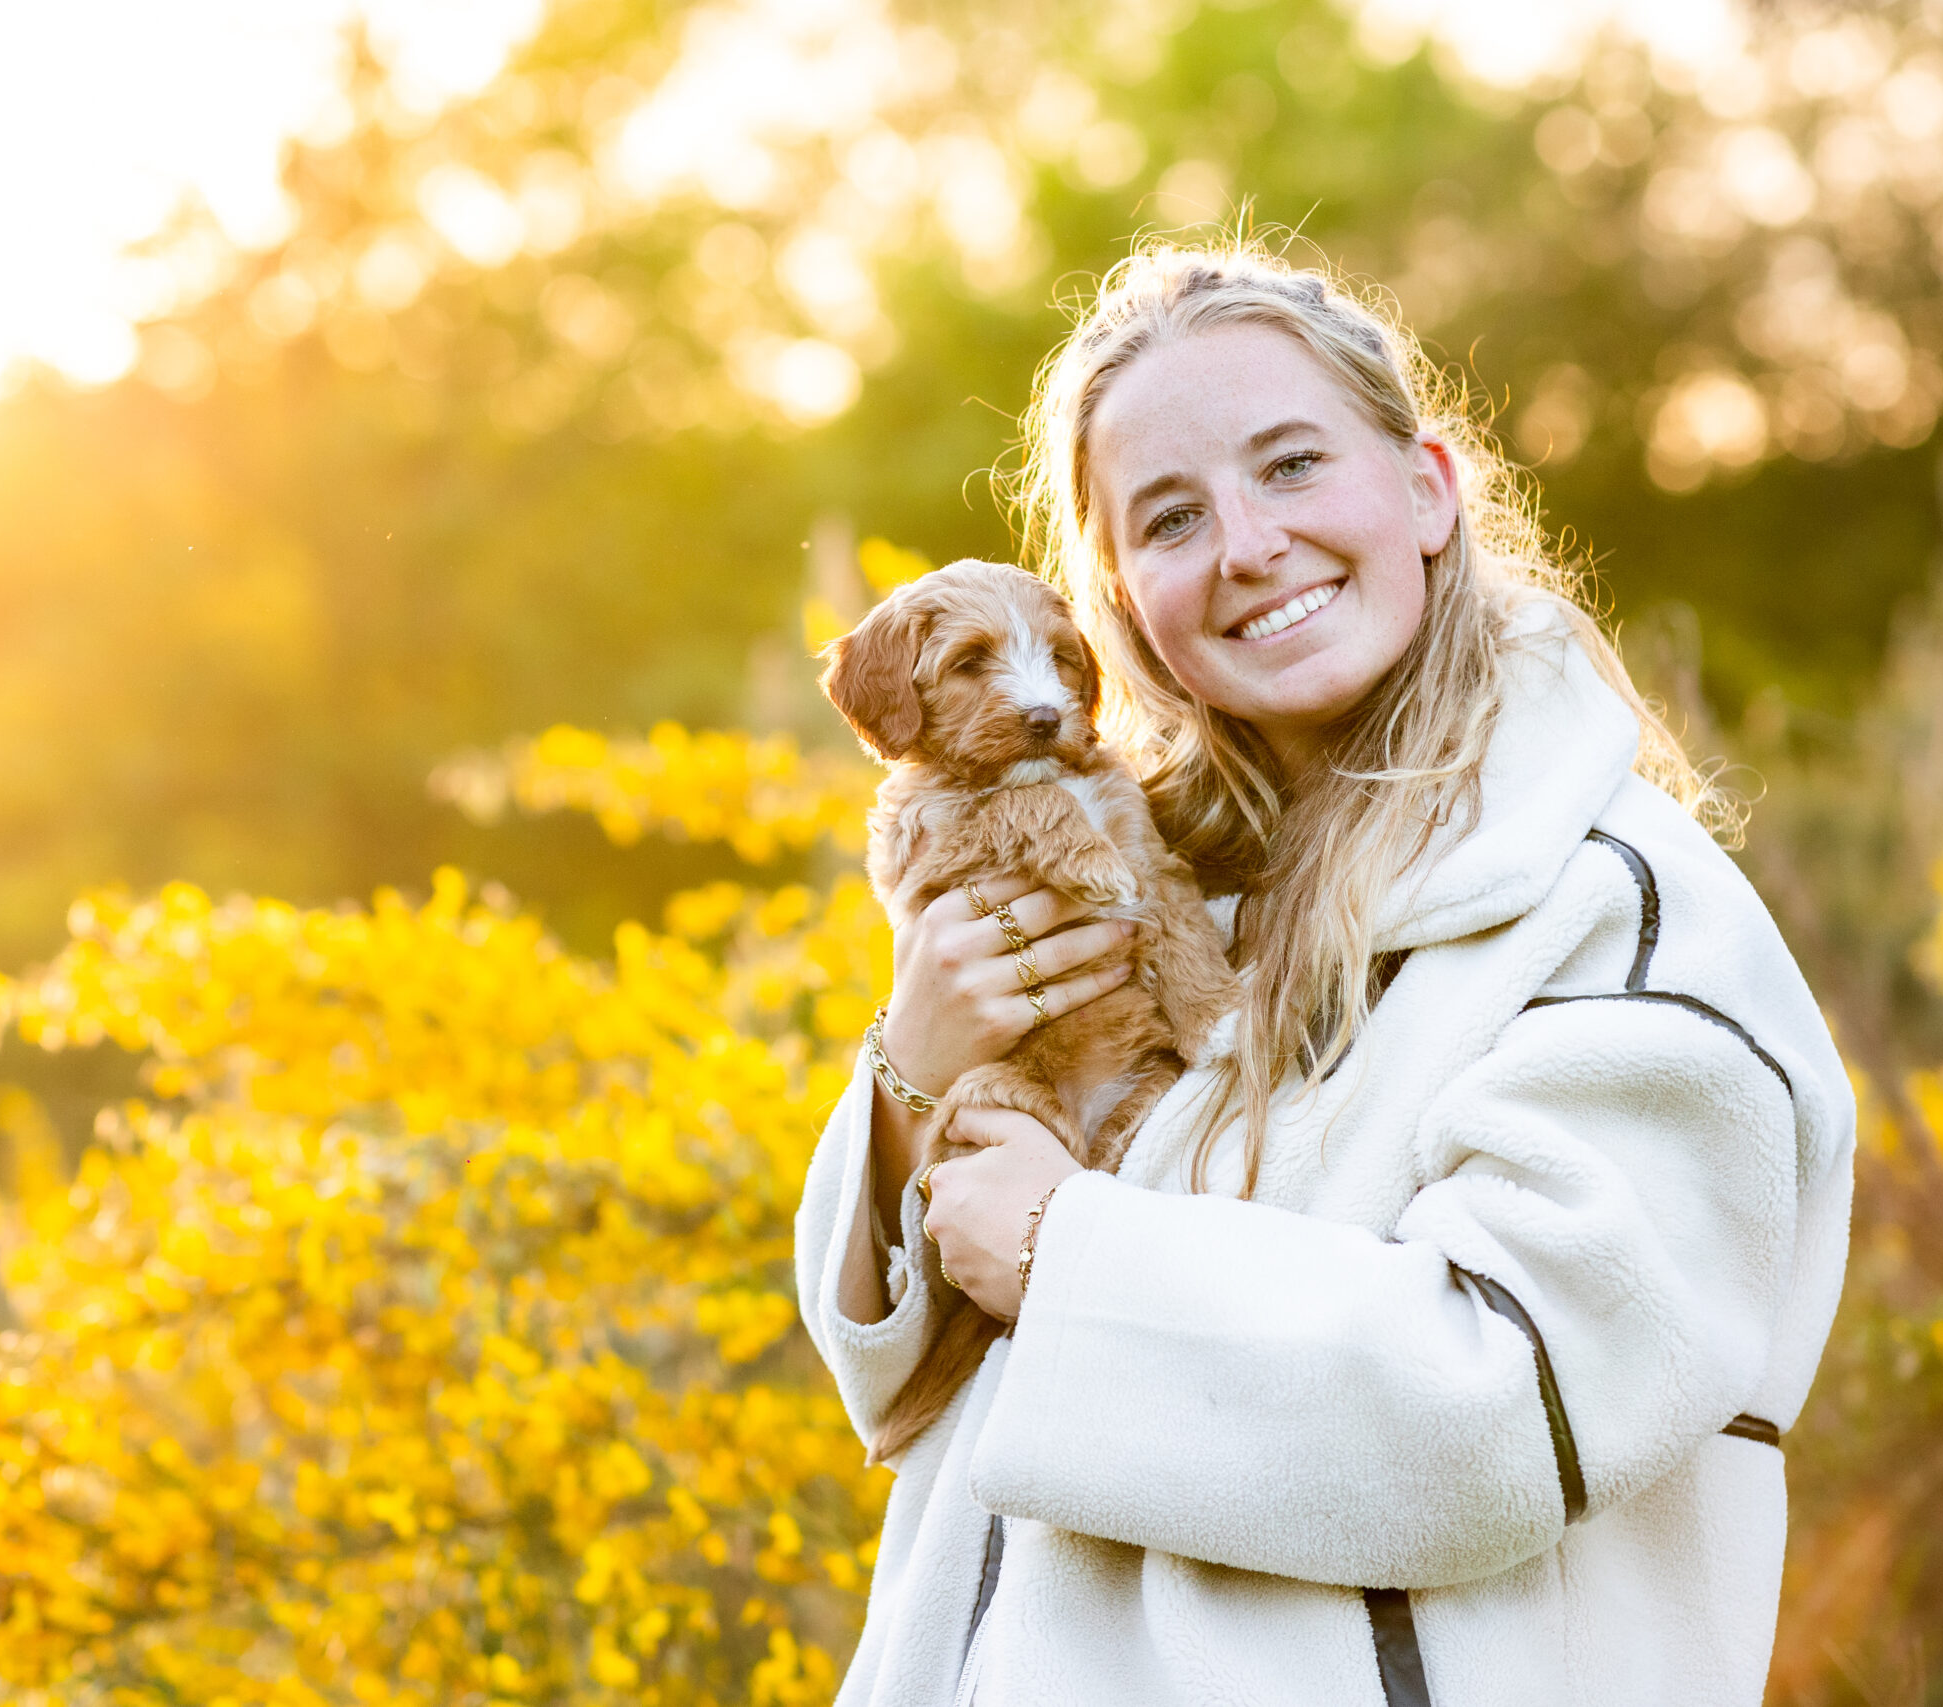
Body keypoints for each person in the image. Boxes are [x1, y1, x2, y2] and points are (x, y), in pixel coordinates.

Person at [791, 243, 1856, 1707]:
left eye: (1291, 466)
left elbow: (1509, 1408)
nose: (1244, 544)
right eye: (1170, 517)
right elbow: (905, 1399)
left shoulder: (1621, 914)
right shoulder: (1157, 884)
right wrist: (914, 1074)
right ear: (1123, 599)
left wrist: (1065, 1251)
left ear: (1426, 487)